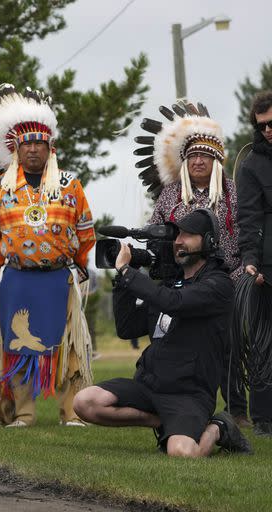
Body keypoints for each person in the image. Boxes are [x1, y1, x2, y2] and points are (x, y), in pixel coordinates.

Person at [0, 85, 95, 428]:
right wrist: (6, 265)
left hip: (60, 277)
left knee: (70, 346)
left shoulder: (70, 185)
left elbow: (85, 232)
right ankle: (22, 413)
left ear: (51, 148)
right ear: (16, 148)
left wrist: (79, 265)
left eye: (39, 143)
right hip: (17, 277)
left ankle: (72, 412)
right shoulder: (1, 188)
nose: (33, 149)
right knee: (16, 345)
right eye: (26, 144)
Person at [73, 209, 252, 457]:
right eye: (177, 234)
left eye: (188, 235)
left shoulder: (218, 285)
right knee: (84, 402)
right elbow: (127, 328)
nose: (179, 240)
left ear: (209, 241)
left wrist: (129, 272)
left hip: (189, 395)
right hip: (150, 387)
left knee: (182, 452)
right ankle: (160, 422)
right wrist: (122, 279)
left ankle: (219, 427)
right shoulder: (170, 284)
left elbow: (174, 302)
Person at [138, 100, 248, 426]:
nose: (198, 161)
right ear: (184, 162)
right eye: (192, 156)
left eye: (205, 156)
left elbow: (247, 237)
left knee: (228, 346)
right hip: (179, 282)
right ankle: (169, 403)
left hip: (223, 281)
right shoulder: (171, 195)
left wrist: (239, 275)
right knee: (172, 341)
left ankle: (238, 411)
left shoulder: (234, 195)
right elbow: (155, 233)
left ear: (217, 161)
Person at [236, 90, 272, 437]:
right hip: (266, 269)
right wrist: (250, 261)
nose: (269, 130)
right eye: (262, 126)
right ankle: (264, 420)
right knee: (263, 343)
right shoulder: (251, 166)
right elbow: (248, 219)